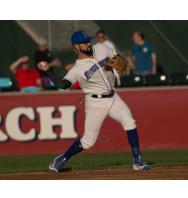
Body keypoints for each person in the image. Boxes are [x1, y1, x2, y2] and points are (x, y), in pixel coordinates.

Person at [38, 30, 150, 172]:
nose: (88, 44)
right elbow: (63, 85)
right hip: (95, 103)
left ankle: (137, 161)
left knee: (129, 122)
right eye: (84, 43)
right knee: (88, 142)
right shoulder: (77, 69)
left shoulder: (102, 48)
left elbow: (118, 59)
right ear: (76, 47)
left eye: (88, 41)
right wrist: (48, 71)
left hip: (113, 96)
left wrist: (117, 63)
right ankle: (61, 159)